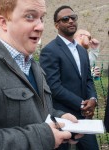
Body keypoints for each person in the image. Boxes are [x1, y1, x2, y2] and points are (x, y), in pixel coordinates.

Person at [0, 1, 82, 149]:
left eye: (41, 18)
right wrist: (44, 137)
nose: (41, 26)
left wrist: (60, 119)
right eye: (30, 17)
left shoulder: (33, 66)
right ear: (3, 23)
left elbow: (37, 111)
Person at [40, 5, 99, 150]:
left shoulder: (82, 51)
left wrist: (92, 99)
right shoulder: (49, 51)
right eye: (65, 19)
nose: (71, 21)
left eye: (73, 18)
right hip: (62, 116)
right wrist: (81, 103)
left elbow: (88, 80)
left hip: (84, 117)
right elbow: (53, 87)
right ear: (56, 25)